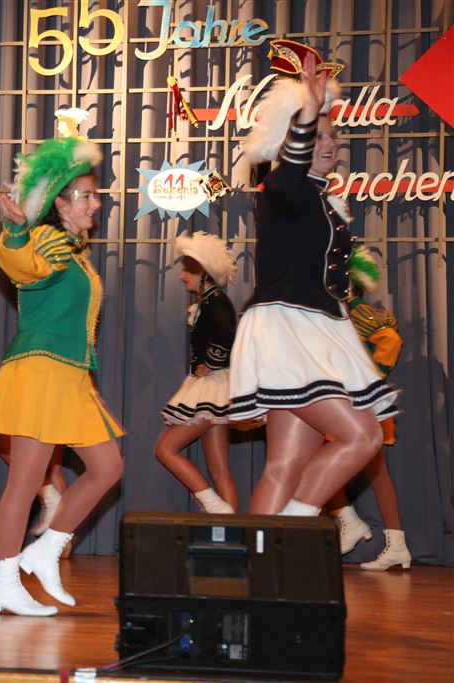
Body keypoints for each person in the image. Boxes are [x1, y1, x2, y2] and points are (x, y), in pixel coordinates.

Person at [230, 48, 398, 515]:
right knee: (362, 436)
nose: (329, 144)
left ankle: (263, 554)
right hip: (288, 330)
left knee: (285, 465)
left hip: (316, 330)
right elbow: (288, 178)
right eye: (314, 136)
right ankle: (293, 528)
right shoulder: (283, 191)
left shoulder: (321, 201)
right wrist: (308, 109)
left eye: (332, 136)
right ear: (288, 144)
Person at [0, 135, 125, 616]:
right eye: (87, 196)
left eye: (96, 196)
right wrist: (16, 231)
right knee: (24, 483)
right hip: (41, 371)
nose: (96, 203)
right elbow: (24, 267)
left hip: (71, 376)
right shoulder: (48, 240)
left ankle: (44, 551)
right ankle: (3, 581)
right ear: (61, 204)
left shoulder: (75, 250)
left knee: (108, 467)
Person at [327, 247, 410, 570]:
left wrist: (371, 379)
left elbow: (391, 341)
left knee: (375, 472)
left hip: (361, 405)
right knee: (326, 463)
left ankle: (388, 541)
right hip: (341, 404)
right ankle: (354, 522)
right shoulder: (337, 314)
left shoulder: (359, 313)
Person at [155, 232, 238, 514]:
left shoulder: (217, 302)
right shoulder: (210, 301)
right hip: (215, 386)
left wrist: (211, 363)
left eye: (186, 271)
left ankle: (213, 505)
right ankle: (231, 528)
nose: (182, 277)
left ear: (202, 273)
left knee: (165, 449)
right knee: (219, 468)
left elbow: (227, 336)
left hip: (212, 386)